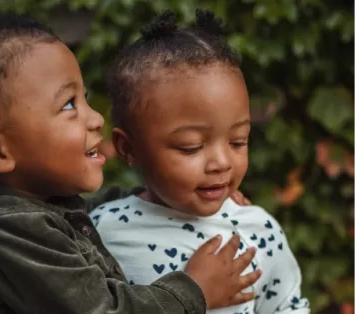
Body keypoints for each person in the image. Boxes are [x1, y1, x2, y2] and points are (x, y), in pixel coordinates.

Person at [0, 1, 261, 313]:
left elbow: (80, 214)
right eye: (69, 104)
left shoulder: (25, 207)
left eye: (85, 97)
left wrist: (161, 196)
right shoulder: (9, 229)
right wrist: (195, 288)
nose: (96, 118)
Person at [91, 9, 310, 314]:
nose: (220, 162)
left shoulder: (258, 229)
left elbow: (288, 306)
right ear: (129, 149)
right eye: (190, 147)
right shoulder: (102, 231)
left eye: (238, 141)